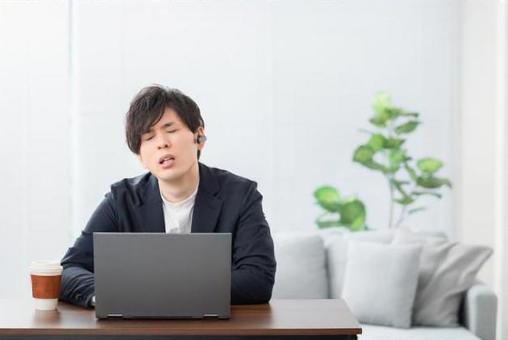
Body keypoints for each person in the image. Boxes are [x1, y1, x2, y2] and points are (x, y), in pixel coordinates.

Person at [59, 85, 276, 308]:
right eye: (149, 137)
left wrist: (159, 289)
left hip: (215, 328)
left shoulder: (240, 195)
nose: (162, 142)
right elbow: (68, 269)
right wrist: (107, 295)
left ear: (199, 137)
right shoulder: (122, 200)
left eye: (170, 130)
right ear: (140, 157)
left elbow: (258, 279)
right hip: (143, 330)